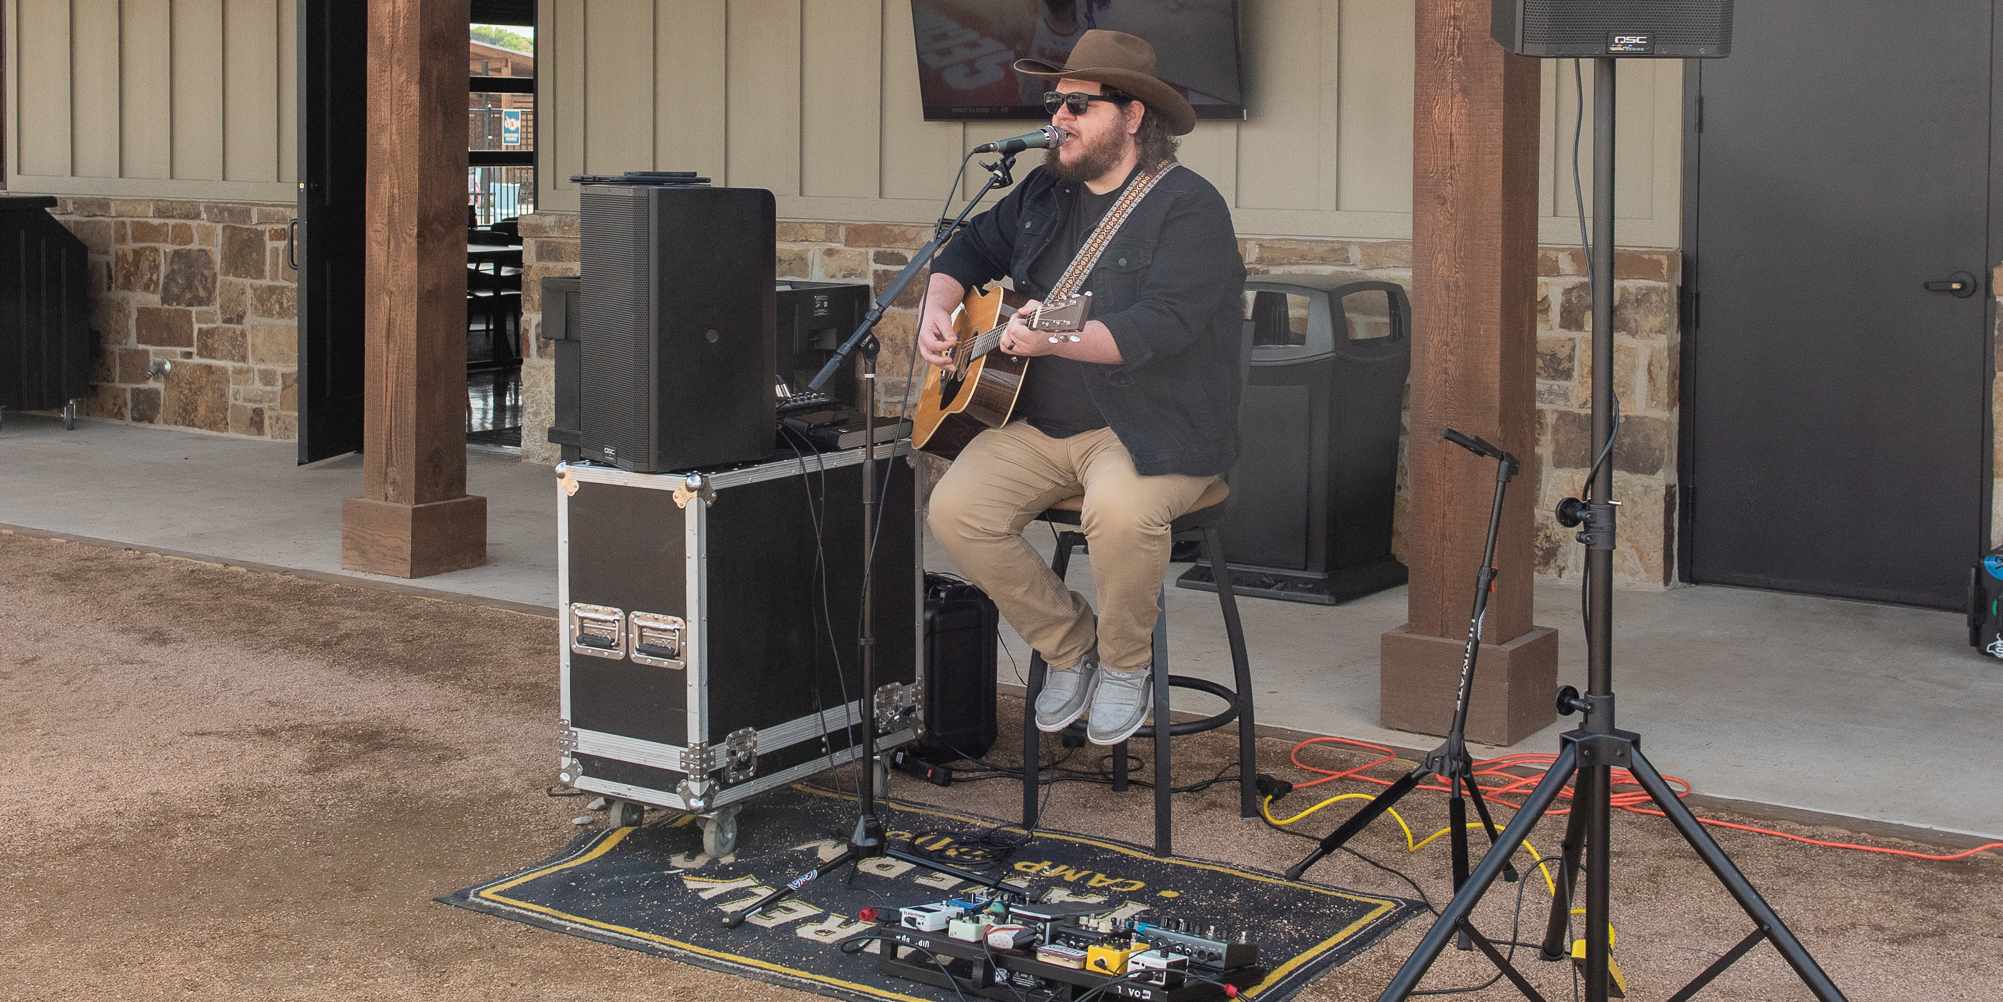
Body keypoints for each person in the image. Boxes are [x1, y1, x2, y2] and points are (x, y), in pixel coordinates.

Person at [921, 30, 1245, 747]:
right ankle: (1072, 647)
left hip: (1150, 428)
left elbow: (1161, 325)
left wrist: (1056, 336)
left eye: (1077, 104)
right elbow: (968, 247)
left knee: (1121, 514)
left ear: (1132, 117)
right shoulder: (1042, 190)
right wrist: (938, 304)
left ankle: (1127, 667)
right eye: (1053, 103)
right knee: (955, 512)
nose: (1056, 118)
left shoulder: (1187, 206)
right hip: (1037, 422)